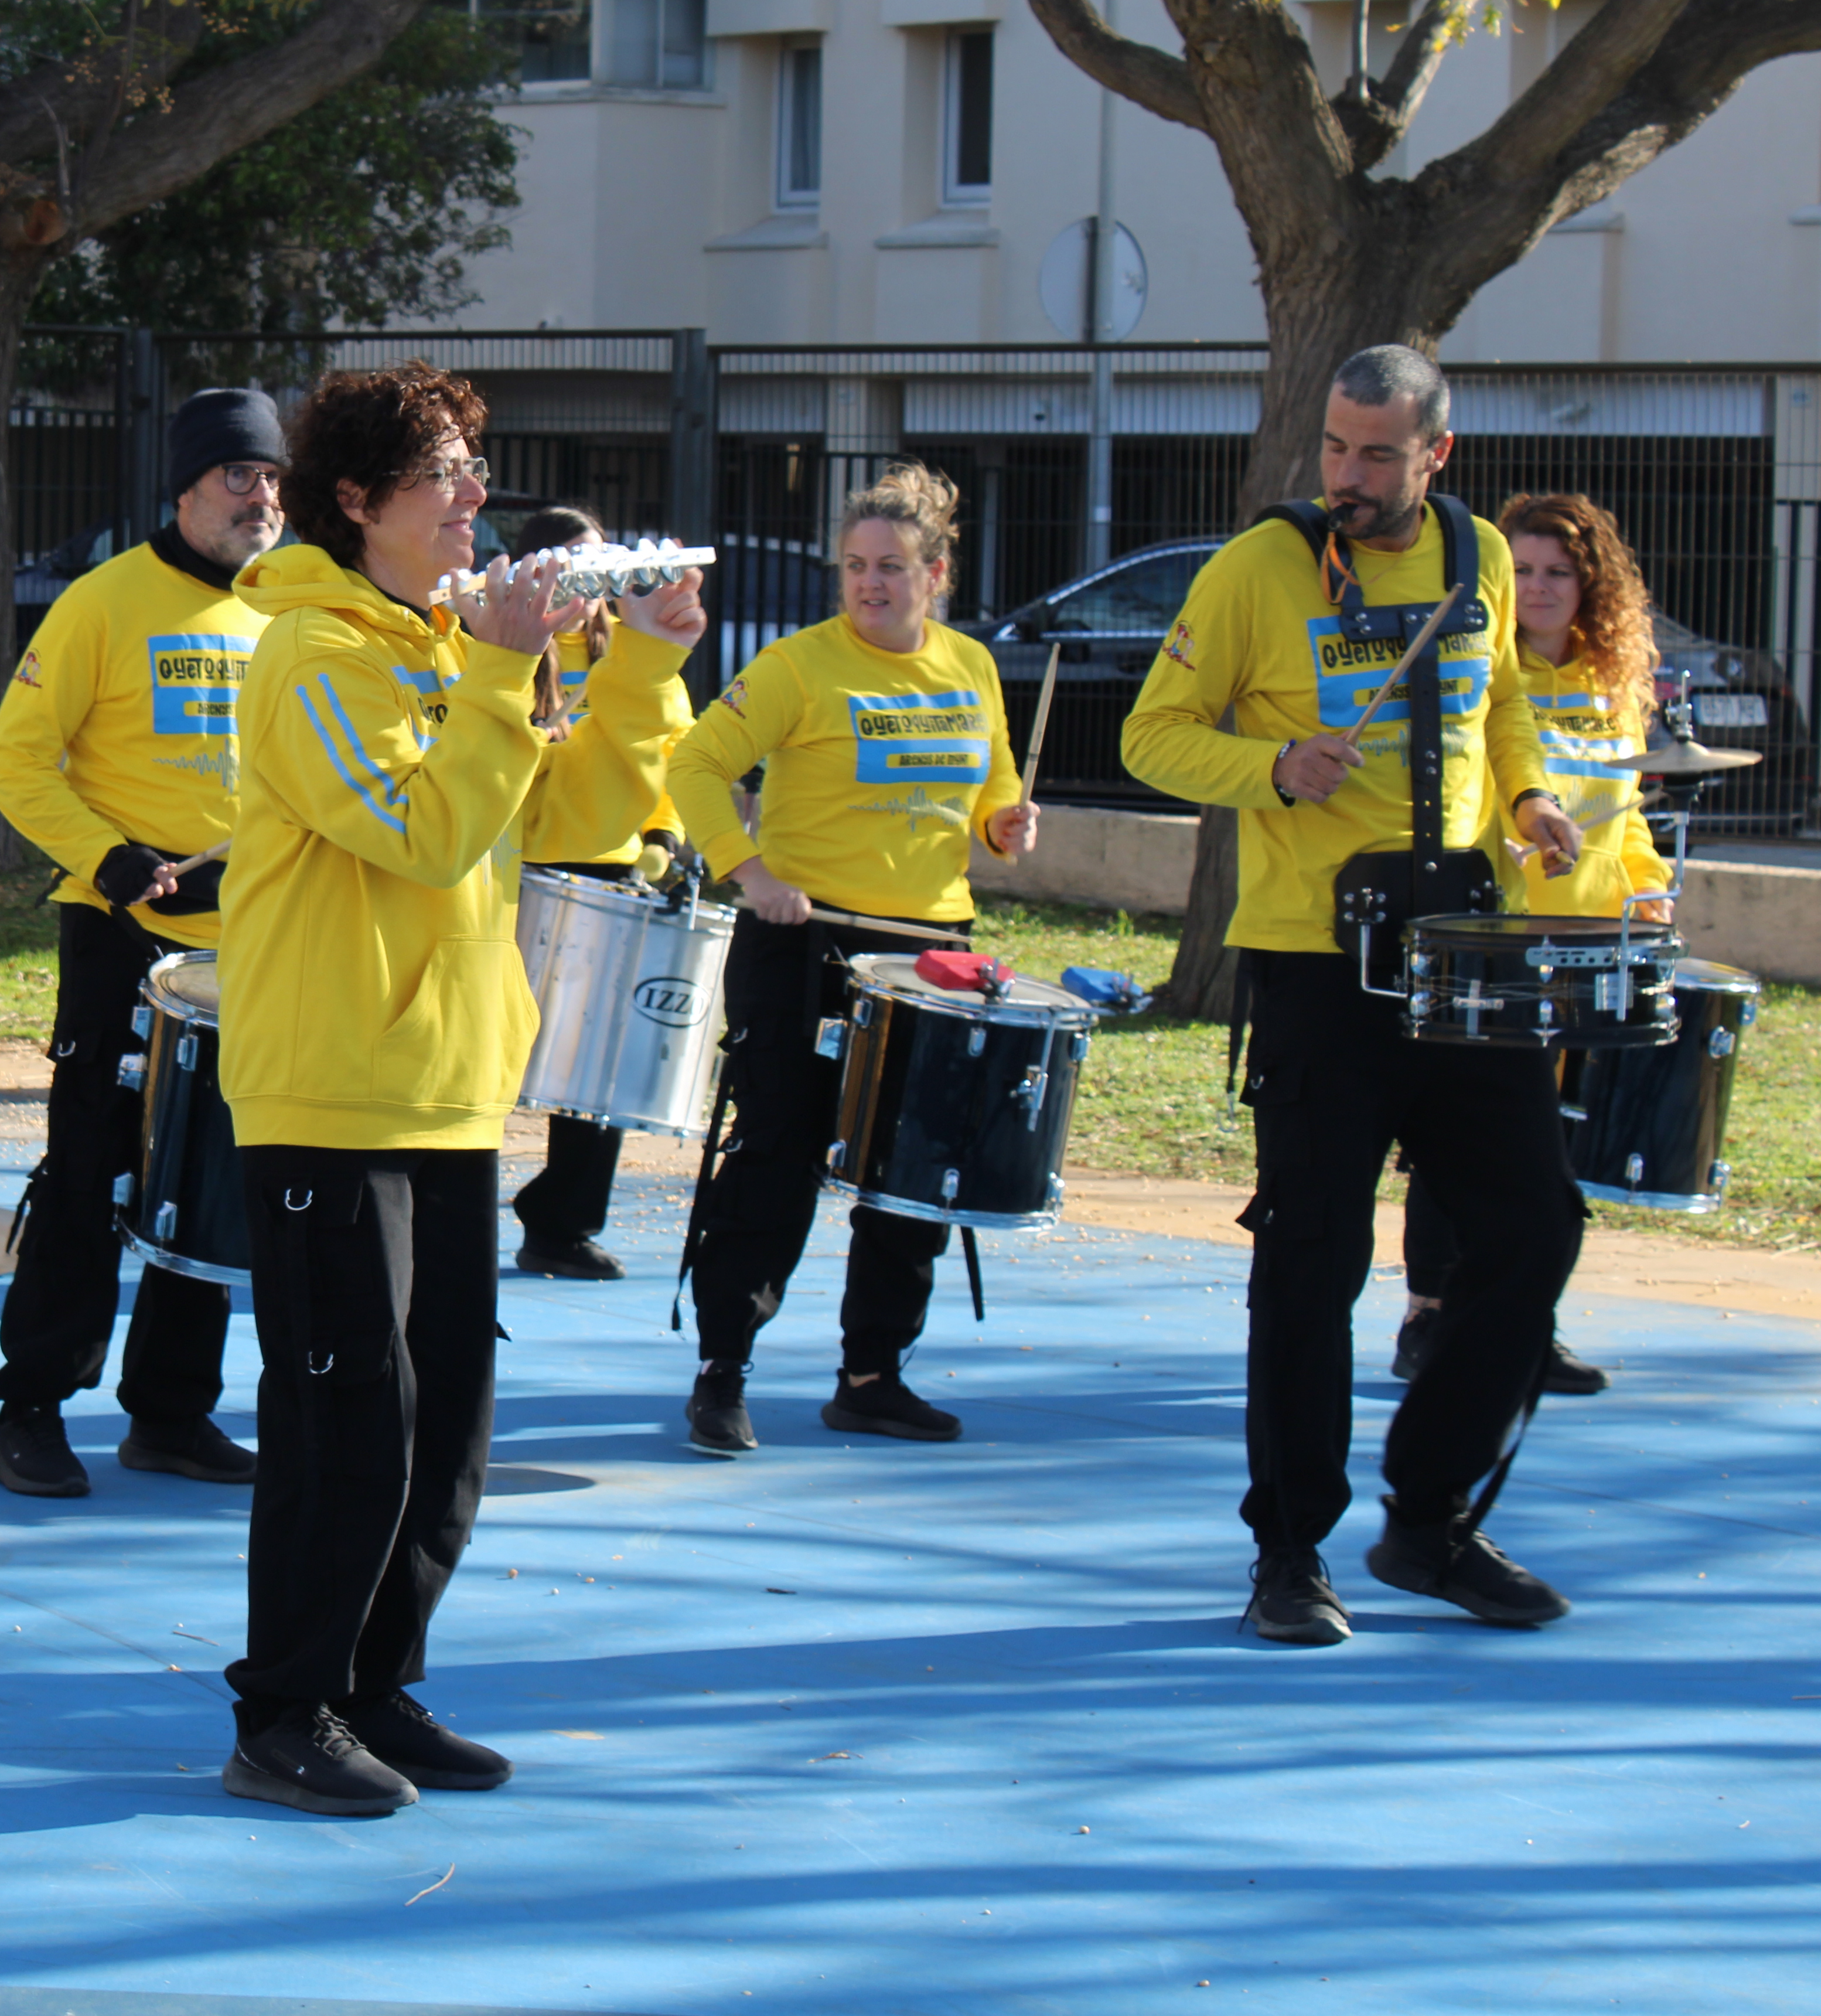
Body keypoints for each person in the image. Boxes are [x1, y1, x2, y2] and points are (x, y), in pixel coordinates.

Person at [214, 362, 697, 1818]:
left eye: (477, 472)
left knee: (444, 1429)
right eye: (447, 476)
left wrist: (644, 671)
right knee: (344, 1423)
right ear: (355, 500)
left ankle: (372, 1684)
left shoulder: (441, 642)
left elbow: (565, 816)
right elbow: (418, 835)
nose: (479, 501)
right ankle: (282, 1707)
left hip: (443, 1093)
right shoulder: (310, 655)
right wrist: (495, 670)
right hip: (332, 1088)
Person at [1124, 343, 1586, 1647]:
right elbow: (1150, 733)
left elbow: (1497, 707)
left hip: (1459, 952)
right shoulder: (1261, 567)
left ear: (1437, 452)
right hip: (1319, 964)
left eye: (1379, 453)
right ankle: (1289, 1547)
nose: (1349, 476)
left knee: (1535, 1226)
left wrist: (1532, 794)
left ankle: (1427, 1512)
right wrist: (1273, 763)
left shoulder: (1478, 556)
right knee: (1313, 1259)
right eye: (1335, 446)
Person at [664, 464, 1034, 1456]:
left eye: (893, 567)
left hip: (928, 954)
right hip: (805, 941)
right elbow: (694, 763)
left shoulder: (970, 668)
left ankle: (873, 1374)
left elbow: (992, 791)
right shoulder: (796, 667)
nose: (870, 585)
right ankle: (723, 1370)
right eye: (855, 567)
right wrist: (750, 872)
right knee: (776, 1158)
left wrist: (1005, 826)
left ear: (938, 572)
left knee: (913, 1173)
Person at [0, 388, 287, 1498]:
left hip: (248, 943)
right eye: (242, 476)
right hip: (118, 937)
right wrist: (106, 855)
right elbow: (14, 762)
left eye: (275, 479)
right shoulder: (105, 603)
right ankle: (33, 1405)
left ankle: (170, 1412)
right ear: (189, 484)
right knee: (90, 1173)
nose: (264, 500)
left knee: (210, 1178)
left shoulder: (290, 615)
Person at [1392, 491, 1667, 1397]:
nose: (1543, 589)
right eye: (1528, 571)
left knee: (1546, 1153)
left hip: (1591, 945)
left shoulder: (1611, 685)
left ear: (1593, 585)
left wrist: (1650, 889)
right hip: (1498, 944)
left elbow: (1625, 824)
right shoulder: (1483, 675)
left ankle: (1520, 1323)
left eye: (1561, 572)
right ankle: (1428, 1317)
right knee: (1458, 1142)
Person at [502, 505, 701, 1282]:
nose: (596, 585)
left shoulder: (631, 645)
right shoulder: (510, 643)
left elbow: (667, 748)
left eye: (604, 567)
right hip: (525, 869)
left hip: (611, 870)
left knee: (596, 1068)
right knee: (503, 1057)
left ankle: (562, 1222)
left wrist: (662, 836)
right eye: (579, 568)